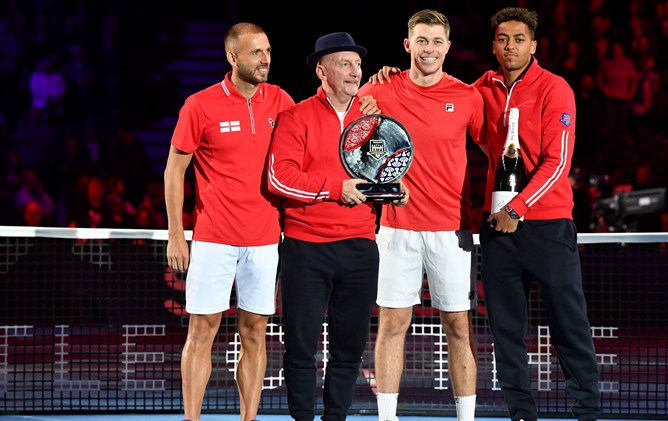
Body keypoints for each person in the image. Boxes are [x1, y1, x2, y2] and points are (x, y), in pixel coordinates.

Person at [266, 32, 406, 421]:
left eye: (358, 64)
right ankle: (302, 418)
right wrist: (334, 189)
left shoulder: (372, 118)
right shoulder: (297, 117)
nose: (354, 71)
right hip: (305, 248)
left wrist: (395, 189)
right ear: (322, 70)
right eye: (345, 64)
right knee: (301, 346)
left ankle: (335, 417)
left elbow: (379, 171)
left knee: (349, 349)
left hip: (360, 247)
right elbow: (279, 178)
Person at [164, 23, 296, 421]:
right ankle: (192, 418)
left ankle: (249, 417)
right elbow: (175, 171)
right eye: (256, 52)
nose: (265, 59)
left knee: (255, 332)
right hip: (213, 238)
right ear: (232, 57)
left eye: (268, 50)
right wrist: (176, 234)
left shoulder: (282, 100)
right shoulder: (199, 105)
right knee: (201, 331)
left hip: (264, 238)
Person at [474, 7, 600, 421]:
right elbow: (437, 97)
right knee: (507, 332)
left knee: (569, 324)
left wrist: (518, 207)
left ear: (534, 44)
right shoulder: (482, 87)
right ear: (494, 45)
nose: (511, 46)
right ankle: (520, 414)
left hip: (547, 225)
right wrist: (392, 77)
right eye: (503, 39)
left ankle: (586, 411)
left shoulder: (554, 88)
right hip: (498, 228)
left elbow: (557, 161)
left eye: (519, 39)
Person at [360, 9, 485, 421]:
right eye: (421, 41)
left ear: (447, 47)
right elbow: (350, 143)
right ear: (407, 45)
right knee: (391, 326)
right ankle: (387, 417)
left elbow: (497, 152)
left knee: (459, 327)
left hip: (452, 231)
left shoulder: (468, 97)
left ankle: (466, 418)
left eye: (436, 42)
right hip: (396, 229)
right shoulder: (381, 89)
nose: (428, 50)